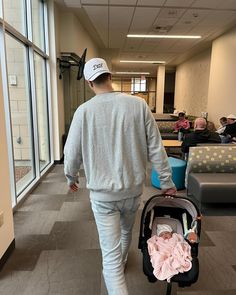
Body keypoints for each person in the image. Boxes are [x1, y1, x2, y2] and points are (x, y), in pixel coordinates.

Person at [64, 57, 177, 295]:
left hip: (102, 196)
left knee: (110, 260)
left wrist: (70, 177)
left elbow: (71, 152)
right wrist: (166, 182)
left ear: (88, 82)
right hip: (133, 191)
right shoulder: (138, 105)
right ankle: (124, 259)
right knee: (127, 231)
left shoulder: (83, 112)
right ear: (110, 77)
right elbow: (156, 147)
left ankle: (119, 264)